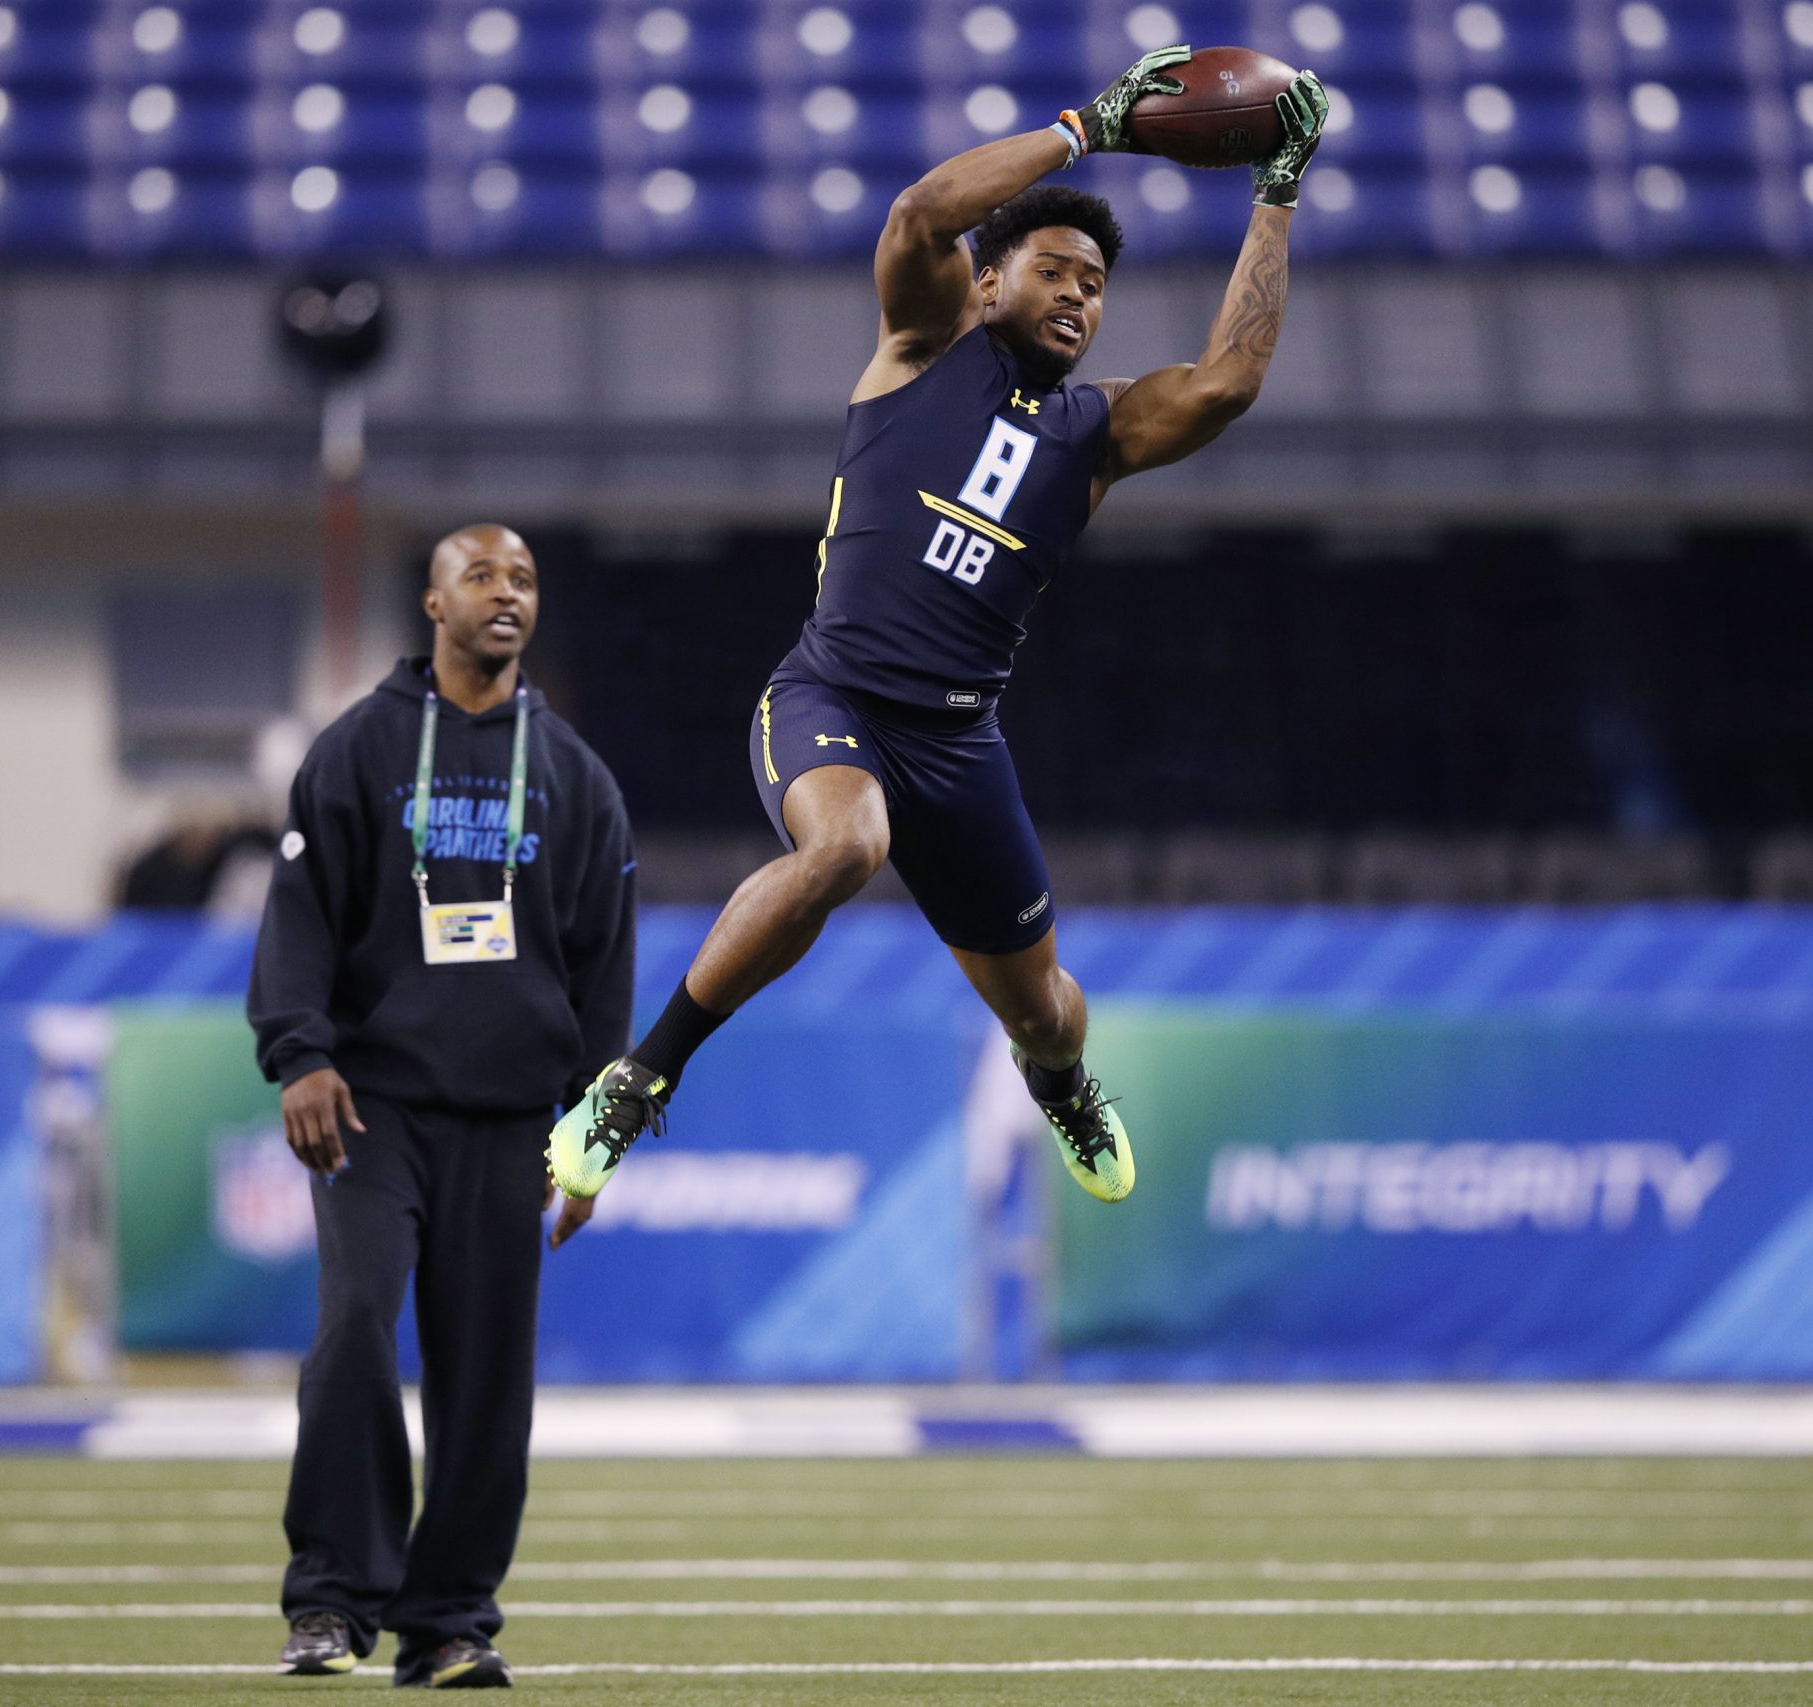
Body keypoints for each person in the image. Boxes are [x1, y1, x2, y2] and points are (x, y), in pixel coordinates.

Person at [548, 49, 1328, 1206]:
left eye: (1095, 286)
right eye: (1053, 270)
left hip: (959, 746)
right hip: (832, 698)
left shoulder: (1095, 431)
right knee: (844, 850)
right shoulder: (924, 348)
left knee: (1049, 1013)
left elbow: (1225, 385)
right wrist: (1088, 126)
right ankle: (640, 1080)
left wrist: (1275, 193)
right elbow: (920, 212)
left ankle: (1057, 1084)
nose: (1078, 295)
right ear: (985, 283)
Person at [249, 524, 636, 1689]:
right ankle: (328, 1601)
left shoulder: (574, 775)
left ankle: (449, 1621)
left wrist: (589, 1135)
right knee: (356, 1329)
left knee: (484, 1377)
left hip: (511, 1120)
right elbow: (300, 916)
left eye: (523, 579)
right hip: (372, 1111)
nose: (506, 594)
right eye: (482, 576)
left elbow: (599, 965)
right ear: (432, 602)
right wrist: (299, 1056)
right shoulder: (359, 747)